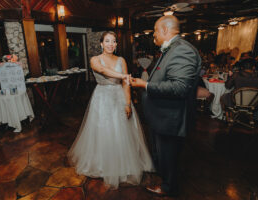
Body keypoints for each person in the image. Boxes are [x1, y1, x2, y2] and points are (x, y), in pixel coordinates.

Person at [68, 31, 153, 189]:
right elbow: (103, 71)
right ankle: (103, 164)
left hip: (119, 97)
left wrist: (127, 103)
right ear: (101, 43)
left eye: (113, 41)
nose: (111, 44)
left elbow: (125, 84)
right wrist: (123, 75)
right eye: (107, 41)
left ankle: (123, 164)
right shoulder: (95, 60)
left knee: (122, 132)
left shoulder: (121, 60)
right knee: (103, 131)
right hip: (102, 98)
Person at [130, 15, 201, 196]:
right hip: (162, 116)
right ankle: (164, 178)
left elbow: (179, 87)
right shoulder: (171, 49)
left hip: (171, 118)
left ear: (164, 30)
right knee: (163, 156)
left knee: (169, 158)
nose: (154, 34)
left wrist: (144, 85)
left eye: (155, 30)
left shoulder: (182, 50)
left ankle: (169, 188)